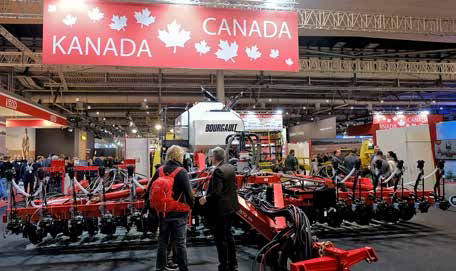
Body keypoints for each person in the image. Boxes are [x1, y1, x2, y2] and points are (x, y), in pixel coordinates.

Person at [152, 145, 194, 271]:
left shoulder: (159, 170)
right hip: (179, 213)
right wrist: (192, 207)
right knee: (180, 243)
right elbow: (189, 194)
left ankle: (160, 267)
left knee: (163, 241)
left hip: (163, 213)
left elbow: (150, 190)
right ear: (179, 156)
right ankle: (183, 268)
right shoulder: (181, 171)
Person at [199, 147, 239, 271]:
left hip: (221, 210)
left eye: (211, 156)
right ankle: (233, 263)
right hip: (231, 207)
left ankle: (223, 266)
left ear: (214, 158)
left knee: (220, 239)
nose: (210, 159)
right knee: (229, 236)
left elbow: (216, 193)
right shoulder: (230, 168)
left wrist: (205, 198)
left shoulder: (218, 171)